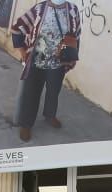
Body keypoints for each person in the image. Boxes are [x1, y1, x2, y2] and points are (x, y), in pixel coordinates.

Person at [9, 0, 82, 143]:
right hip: (37, 62)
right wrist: (22, 50)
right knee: (31, 93)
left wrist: (71, 55)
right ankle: (26, 125)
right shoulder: (40, 8)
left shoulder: (73, 10)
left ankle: (50, 115)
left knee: (53, 92)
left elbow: (77, 35)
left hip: (58, 63)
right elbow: (18, 27)